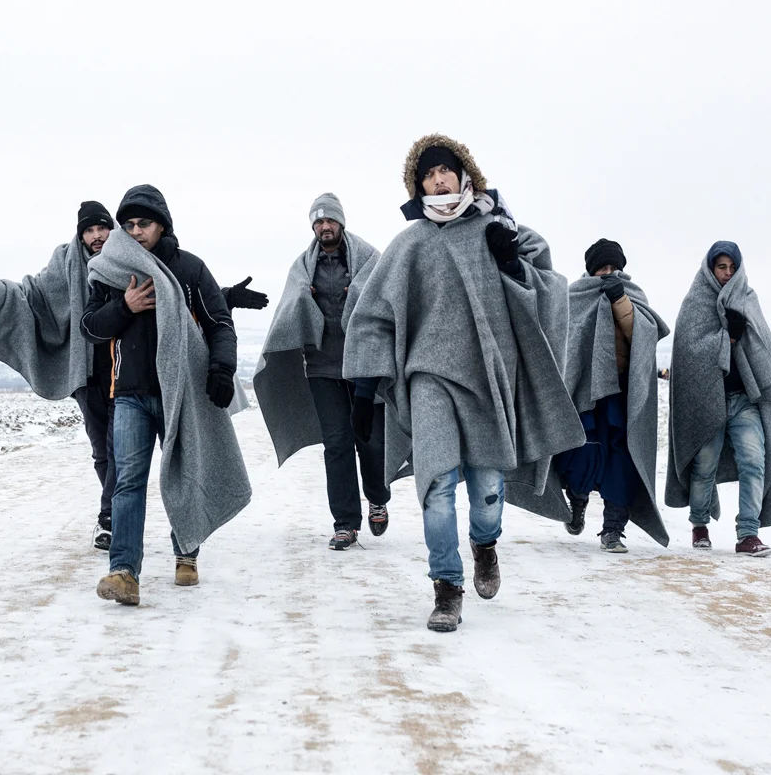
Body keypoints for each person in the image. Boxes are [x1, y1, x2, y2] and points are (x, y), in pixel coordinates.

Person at [344, 135, 584, 632]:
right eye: (427, 175)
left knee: (489, 493)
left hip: (487, 380)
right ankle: (446, 588)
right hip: (428, 379)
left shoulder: (497, 229)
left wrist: (512, 263)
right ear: (419, 185)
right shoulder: (410, 243)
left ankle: (484, 544)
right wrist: (364, 389)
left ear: (463, 173)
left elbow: (549, 291)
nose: (438, 179)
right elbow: (371, 313)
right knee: (436, 487)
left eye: (444, 170)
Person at [0, 203, 268, 552]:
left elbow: (172, 291)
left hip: (132, 372)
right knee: (103, 452)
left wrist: (227, 297)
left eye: (102, 228)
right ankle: (117, 526)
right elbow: (33, 295)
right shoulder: (64, 265)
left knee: (137, 455)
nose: (96, 236)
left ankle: (120, 522)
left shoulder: (129, 258)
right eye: (88, 231)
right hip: (90, 372)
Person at [80, 185, 251, 606]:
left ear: (163, 225)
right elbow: (90, 327)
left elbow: (219, 324)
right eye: (129, 224)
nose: (136, 231)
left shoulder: (189, 270)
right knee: (127, 482)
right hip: (130, 395)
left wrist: (222, 369)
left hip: (183, 395)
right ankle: (123, 572)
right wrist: (125, 306)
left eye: (145, 223)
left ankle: (186, 552)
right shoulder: (108, 271)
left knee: (186, 473)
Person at [253, 193, 388, 550]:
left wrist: (354, 294)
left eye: (330, 220)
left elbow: (383, 298)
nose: (324, 226)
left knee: (371, 443)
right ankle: (345, 523)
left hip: (364, 366)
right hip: (322, 366)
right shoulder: (303, 265)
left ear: (341, 222)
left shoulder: (369, 257)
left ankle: (377, 497)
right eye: (318, 221)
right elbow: (290, 303)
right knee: (337, 444)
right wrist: (304, 301)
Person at [665, 241, 771, 556]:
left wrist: (742, 335)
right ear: (710, 268)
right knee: (704, 466)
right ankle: (700, 525)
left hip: (744, 398)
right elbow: (688, 351)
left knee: (754, 461)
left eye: (732, 267)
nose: (727, 274)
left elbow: (763, 346)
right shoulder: (696, 302)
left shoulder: (747, 299)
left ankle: (748, 534)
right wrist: (726, 337)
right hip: (707, 400)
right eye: (721, 267)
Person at [550, 239, 671, 553]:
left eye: (613, 267)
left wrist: (619, 300)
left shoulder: (631, 296)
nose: (608, 273)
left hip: (622, 395)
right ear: (591, 270)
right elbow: (562, 343)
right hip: (584, 392)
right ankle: (576, 501)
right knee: (580, 454)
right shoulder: (575, 296)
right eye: (602, 268)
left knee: (622, 460)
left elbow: (642, 335)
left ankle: (612, 530)